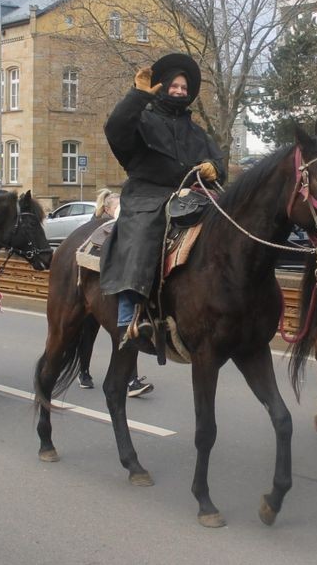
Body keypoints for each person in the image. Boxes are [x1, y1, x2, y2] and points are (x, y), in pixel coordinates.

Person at [99, 52, 225, 385]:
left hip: (193, 194)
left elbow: (217, 160)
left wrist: (216, 168)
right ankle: (129, 314)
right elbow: (115, 130)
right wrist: (137, 95)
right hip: (147, 194)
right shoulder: (142, 118)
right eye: (175, 84)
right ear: (164, 86)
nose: (181, 90)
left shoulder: (196, 131)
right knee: (144, 231)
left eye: (186, 86)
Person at [78, 189, 153, 397]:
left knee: (127, 332)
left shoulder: (120, 223)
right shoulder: (101, 227)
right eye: (116, 206)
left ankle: (131, 379)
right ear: (108, 208)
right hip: (100, 286)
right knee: (88, 332)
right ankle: (83, 371)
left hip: (109, 289)